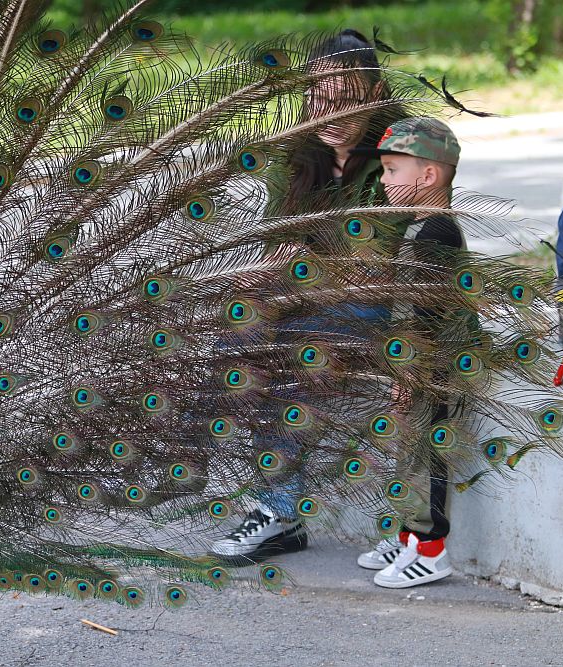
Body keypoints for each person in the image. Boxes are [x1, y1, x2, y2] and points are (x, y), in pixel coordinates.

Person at [209, 29, 404, 565]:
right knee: (240, 331)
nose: (331, 114)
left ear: (375, 92)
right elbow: (274, 243)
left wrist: (302, 260)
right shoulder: (295, 156)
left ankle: (277, 509)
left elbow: (381, 256)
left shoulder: (400, 150)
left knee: (297, 354)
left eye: (346, 100)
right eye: (319, 99)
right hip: (303, 300)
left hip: (375, 307)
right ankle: (273, 502)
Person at [350, 116, 465, 587]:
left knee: (428, 457)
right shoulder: (419, 229)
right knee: (408, 456)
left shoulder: (435, 234)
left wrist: (409, 374)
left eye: (393, 170)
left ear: (428, 176)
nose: (384, 180)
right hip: (416, 365)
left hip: (433, 369)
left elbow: (426, 315)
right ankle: (407, 538)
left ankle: (432, 549)